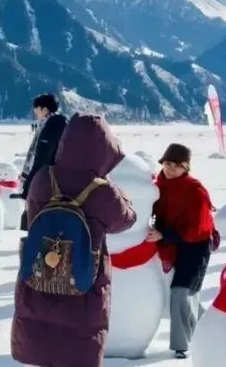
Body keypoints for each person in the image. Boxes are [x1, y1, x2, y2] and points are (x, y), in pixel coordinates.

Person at [11, 113, 137, 367]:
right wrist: (119, 193)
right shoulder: (102, 190)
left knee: (42, 347)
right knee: (79, 348)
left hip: (40, 272)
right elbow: (125, 220)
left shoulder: (43, 178)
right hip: (83, 282)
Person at [148, 143, 215, 359]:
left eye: (176, 166)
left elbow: (197, 228)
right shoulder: (159, 186)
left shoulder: (194, 190)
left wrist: (164, 236)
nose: (170, 169)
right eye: (167, 164)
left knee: (181, 292)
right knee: (190, 296)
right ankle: (213, 329)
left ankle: (181, 345)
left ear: (186, 167)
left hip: (196, 246)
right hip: (174, 245)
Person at [19, 93, 68, 230]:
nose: (37, 115)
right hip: (52, 180)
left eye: (37, 111)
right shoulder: (57, 124)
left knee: (38, 217)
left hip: (47, 182)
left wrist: (28, 185)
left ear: (45, 110)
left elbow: (42, 159)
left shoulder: (51, 127)